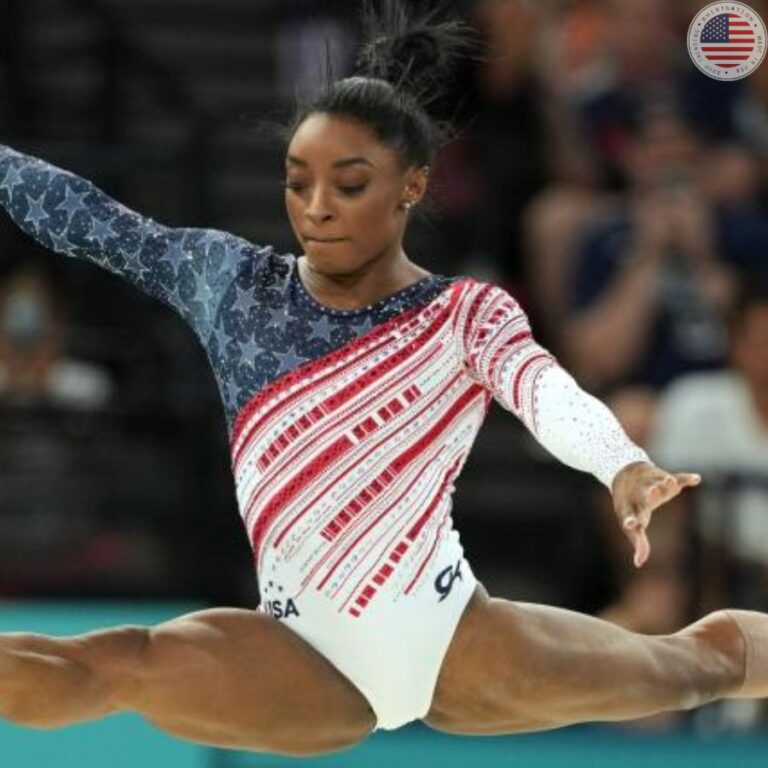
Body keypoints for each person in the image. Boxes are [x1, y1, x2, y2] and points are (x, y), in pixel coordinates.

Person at [0, 1, 765, 758]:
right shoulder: (231, 284)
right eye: (298, 183)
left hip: (452, 641)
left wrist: (619, 461)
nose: (317, 208)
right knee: (107, 666)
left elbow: (543, 390)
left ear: (411, 186)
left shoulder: (461, 313)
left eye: (349, 184)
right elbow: (87, 218)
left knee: (699, 666)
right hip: (292, 649)